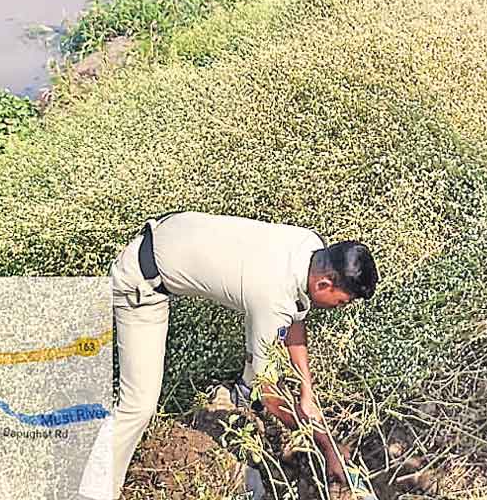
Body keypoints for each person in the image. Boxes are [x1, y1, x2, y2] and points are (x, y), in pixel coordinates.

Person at [82, 211, 378, 500]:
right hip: (141, 283)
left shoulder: (310, 245)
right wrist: (327, 447)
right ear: (324, 284)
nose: (341, 307)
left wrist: (307, 393)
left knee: (262, 356)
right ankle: (92, 492)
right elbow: (269, 394)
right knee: (138, 405)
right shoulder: (272, 297)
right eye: (343, 301)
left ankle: (241, 398)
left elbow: (296, 319)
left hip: (170, 233)